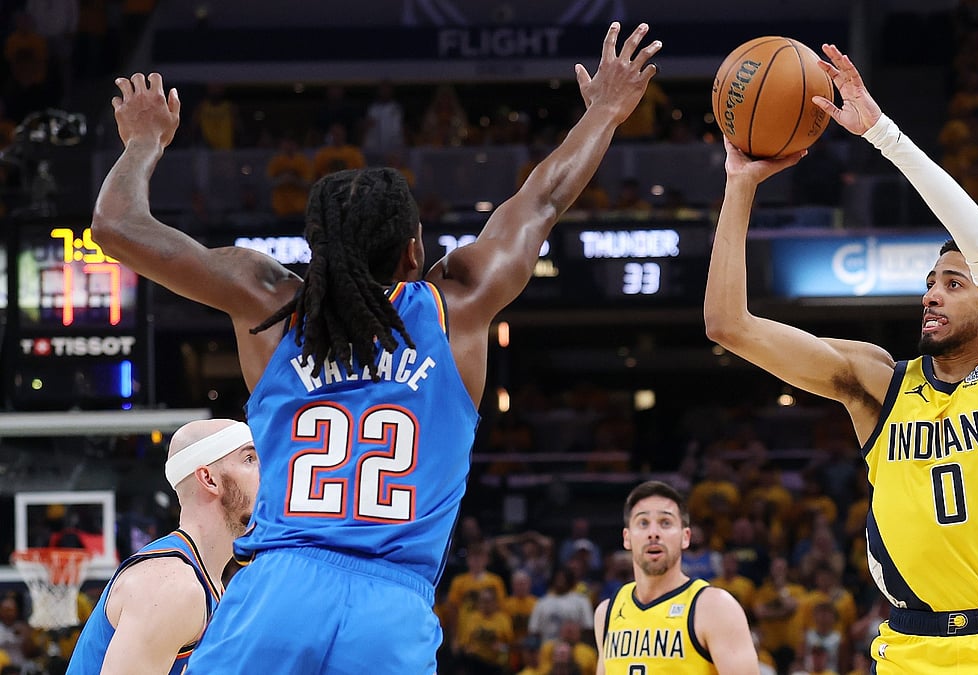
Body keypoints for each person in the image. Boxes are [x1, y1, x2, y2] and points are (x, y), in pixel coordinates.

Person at [91, 21, 661, 674]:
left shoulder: (270, 304)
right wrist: (608, 111)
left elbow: (116, 226)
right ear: (415, 249)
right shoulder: (460, 304)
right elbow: (542, 200)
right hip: (391, 608)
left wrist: (142, 142)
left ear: (316, 251)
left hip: (277, 593)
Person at [704, 43, 978, 674]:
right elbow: (727, 325)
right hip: (907, 650)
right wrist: (739, 188)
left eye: (954, 283)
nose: (932, 293)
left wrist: (882, 134)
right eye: (931, 281)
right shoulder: (877, 385)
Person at [65, 419, 259, 674]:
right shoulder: (172, 585)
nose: (267, 473)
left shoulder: (204, 583)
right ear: (209, 479)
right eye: (249, 459)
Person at [595, 481, 759, 674]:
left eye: (665, 523)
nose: (653, 533)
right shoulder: (606, 613)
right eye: (643, 523)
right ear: (627, 537)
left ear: (685, 537)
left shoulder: (715, 608)